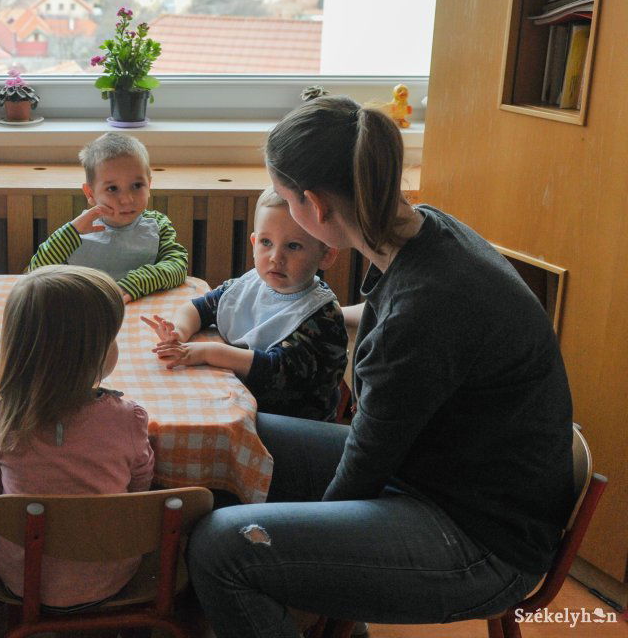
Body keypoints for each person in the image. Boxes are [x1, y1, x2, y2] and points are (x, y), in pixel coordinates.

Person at [186, 96, 574, 637]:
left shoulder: (423, 311)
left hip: (478, 541)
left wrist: (309, 544)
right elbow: (399, 319)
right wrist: (323, 316)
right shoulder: (427, 232)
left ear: (315, 208)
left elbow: (364, 467)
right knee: (236, 430)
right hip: (439, 472)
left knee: (221, 548)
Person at [0, 266, 154, 609]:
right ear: (90, 353)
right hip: (110, 577)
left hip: (23, 580)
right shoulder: (128, 417)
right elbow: (140, 486)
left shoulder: (2, 414)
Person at [142, 188, 348, 421]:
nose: (275, 257)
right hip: (242, 405)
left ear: (326, 254)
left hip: (292, 425)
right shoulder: (250, 284)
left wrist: (209, 352)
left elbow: (276, 371)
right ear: (253, 242)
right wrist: (178, 333)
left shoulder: (322, 319)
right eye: (266, 242)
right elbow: (200, 308)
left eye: (293, 246)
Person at [28, 133, 187, 302]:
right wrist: (71, 231)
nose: (127, 199)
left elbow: (178, 266)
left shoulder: (158, 225)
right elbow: (36, 271)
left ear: (149, 185)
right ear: (90, 194)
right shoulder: (78, 229)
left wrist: (133, 284)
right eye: (112, 188)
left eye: (137, 186)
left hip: (140, 314)